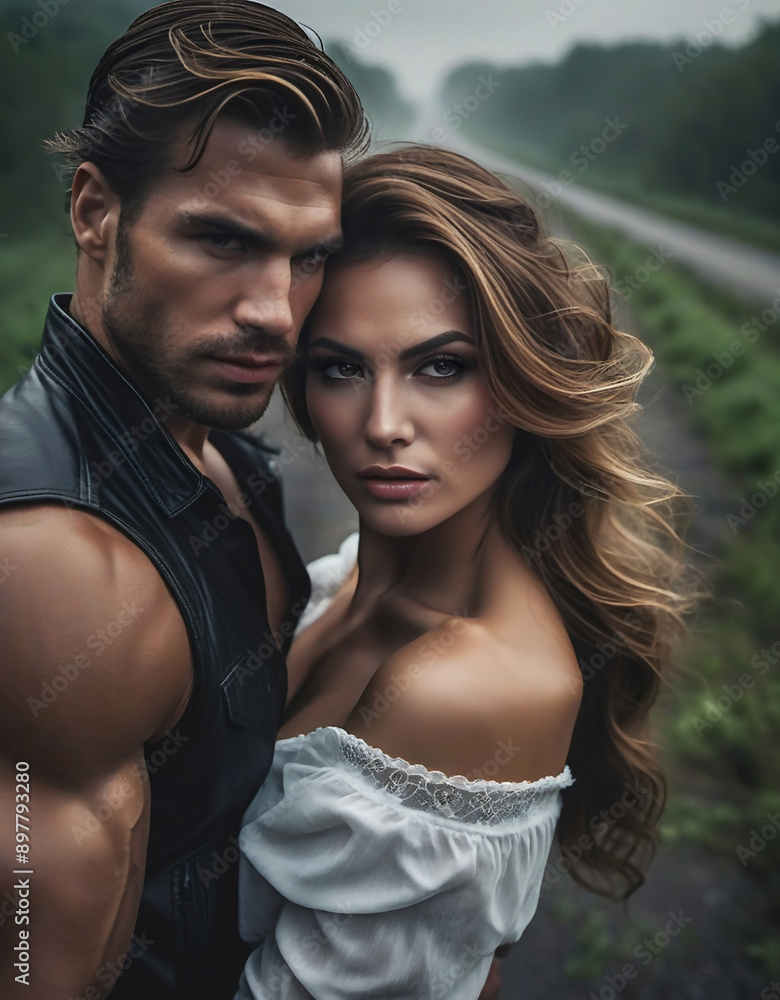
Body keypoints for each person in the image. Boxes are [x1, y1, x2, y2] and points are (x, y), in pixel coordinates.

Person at [233, 146, 698, 998]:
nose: (382, 424)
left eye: (440, 366)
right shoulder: (343, 581)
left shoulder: (460, 686)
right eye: (341, 367)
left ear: (522, 380)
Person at [0, 2, 368, 997]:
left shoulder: (221, 452)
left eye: (308, 256)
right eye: (220, 240)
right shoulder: (64, 564)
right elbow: (35, 963)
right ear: (93, 209)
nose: (274, 310)